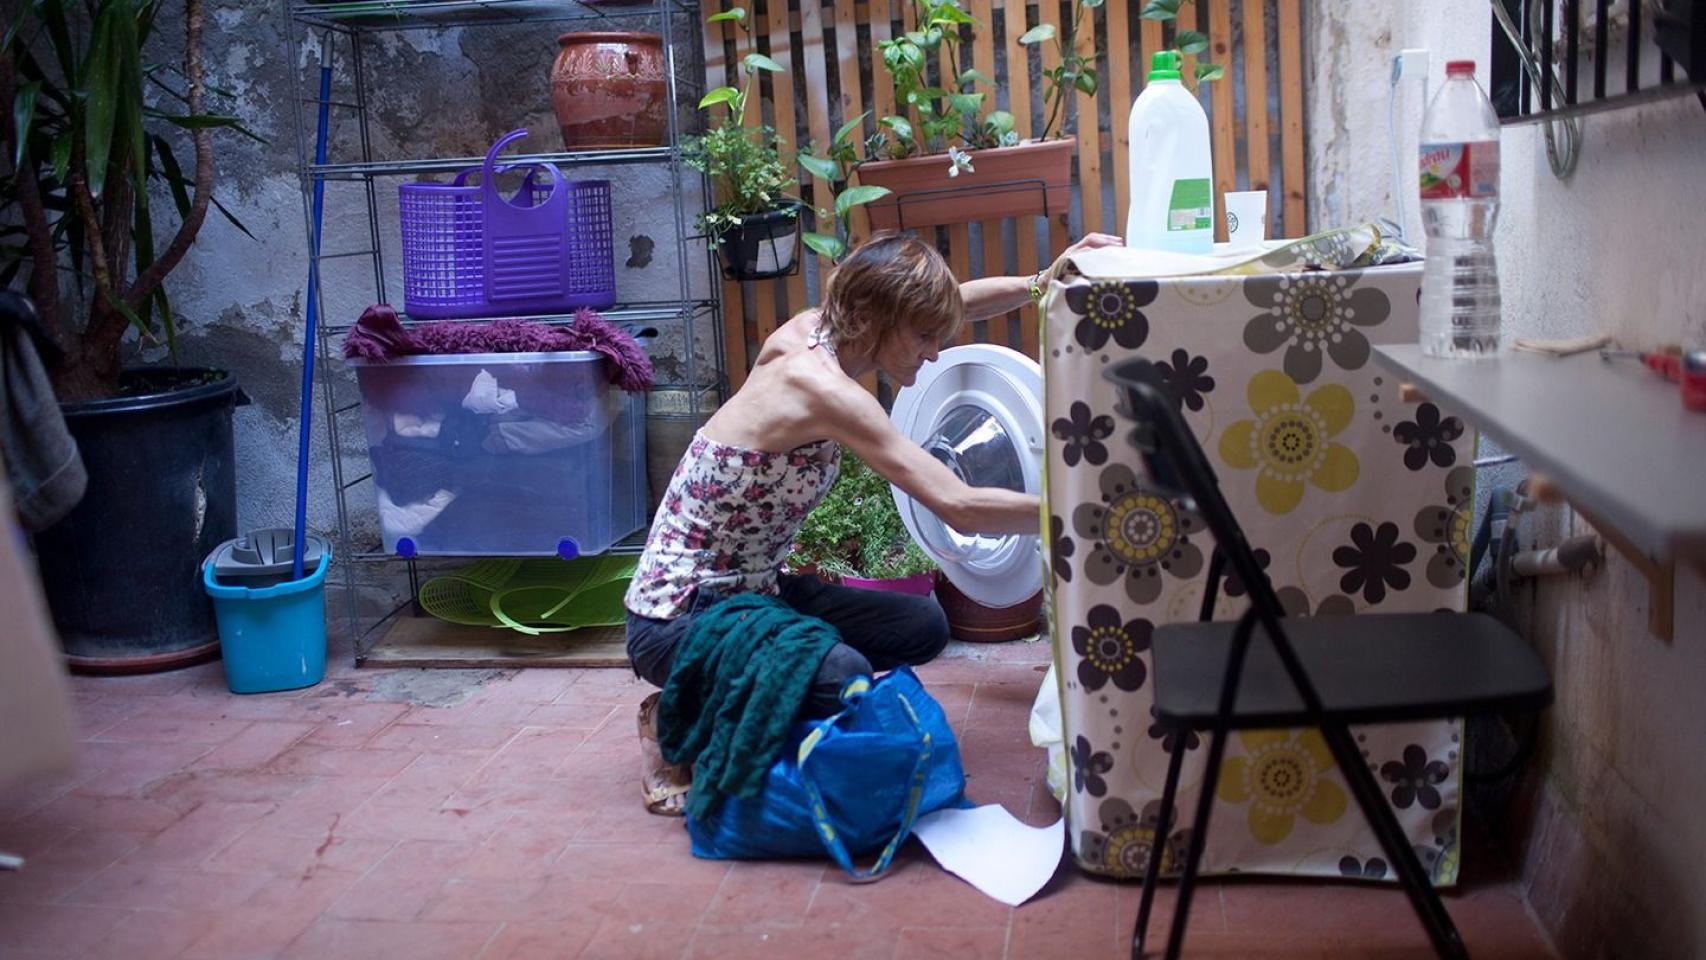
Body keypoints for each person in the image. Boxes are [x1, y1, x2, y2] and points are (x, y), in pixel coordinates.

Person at [625, 229, 1121, 814]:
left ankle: (764, 677)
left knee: (922, 627)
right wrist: (1089, 511)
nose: (934, 352)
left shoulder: (821, 329)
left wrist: (1040, 283)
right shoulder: (823, 390)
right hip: (678, 617)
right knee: (844, 676)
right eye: (923, 337)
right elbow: (956, 503)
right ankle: (678, 716)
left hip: (756, 591)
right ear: (871, 318)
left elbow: (953, 303)